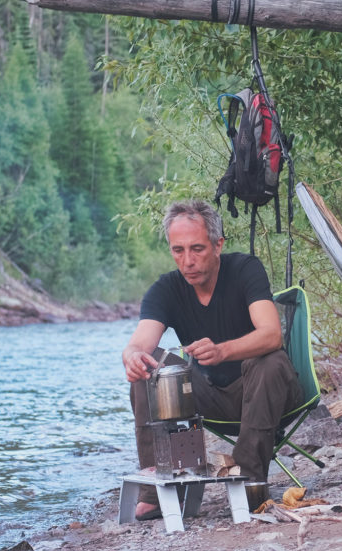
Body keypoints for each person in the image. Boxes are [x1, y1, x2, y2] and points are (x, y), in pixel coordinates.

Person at [121, 200, 302, 521]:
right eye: (178, 250)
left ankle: (249, 477)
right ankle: (159, 488)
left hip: (266, 393)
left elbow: (272, 334)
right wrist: (132, 356)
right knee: (149, 368)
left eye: (197, 249)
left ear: (218, 245)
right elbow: (140, 343)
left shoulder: (246, 269)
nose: (187, 261)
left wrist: (222, 351)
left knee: (269, 360)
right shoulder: (166, 289)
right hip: (207, 396)